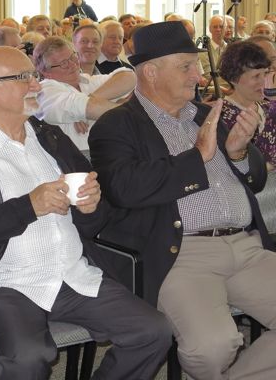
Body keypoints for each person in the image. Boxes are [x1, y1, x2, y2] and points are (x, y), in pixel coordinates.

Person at [0, 46, 171, 380]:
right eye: (23, 78)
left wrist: (90, 204)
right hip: (9, 284)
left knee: (153, 331)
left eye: (34, 75)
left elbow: (94, 218)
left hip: (73, 274)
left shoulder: (50, 138)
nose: (36, 85)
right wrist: (28, 206)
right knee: (30, 357)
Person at [89, 21, 276, 379]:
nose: (199, 75)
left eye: (198, 65)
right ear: (151, 72)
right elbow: (124, 189)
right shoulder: (118, 126)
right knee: (212, 348)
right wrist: (197, 157)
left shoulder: (207, 115)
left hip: (246, 247)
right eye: (186, 66)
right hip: (181, 255)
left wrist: (237, 154)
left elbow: (255, 178)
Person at [35, 36, 135, 151]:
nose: (72, 65)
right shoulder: (45, 91)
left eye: (73, 57)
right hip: (77, 160)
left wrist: (90, 100)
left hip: (111, 150)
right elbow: (92, 107)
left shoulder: (87, 81)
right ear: (46, 72)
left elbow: (129, 76)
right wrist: (89, 107)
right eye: (63, 63)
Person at [219, 40, 276, 171]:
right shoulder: (224, 116)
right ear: (234, 79)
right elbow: (256, 164)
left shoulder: (266, 106)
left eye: (266, 73)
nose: (263, 82)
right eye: (256, 76)